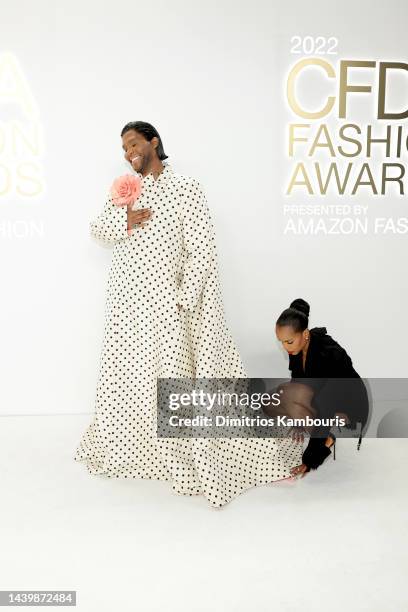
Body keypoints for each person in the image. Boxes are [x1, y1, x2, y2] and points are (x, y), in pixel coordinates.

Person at [74, 121, 302, 507]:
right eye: (123, 147)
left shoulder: (186, 188)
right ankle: (135, 450)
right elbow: (97, 230)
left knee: (175, 382)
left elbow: (202, 249)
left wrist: (184, 298)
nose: (128, 151)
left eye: (133, 143)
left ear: (153, 142)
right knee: (132, 377)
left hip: (168, 305)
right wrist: (122, 220)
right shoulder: (123, 192)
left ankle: (186, 458)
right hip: (127, 307)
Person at [275, 298, 369, 478]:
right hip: (325, 396)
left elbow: (325, 408)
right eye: (281, 342)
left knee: (318, 409)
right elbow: (297, 383)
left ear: (305, 334)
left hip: (351, 403)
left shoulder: (329, 354)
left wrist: (310, 460)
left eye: (288, 341)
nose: (285, 347)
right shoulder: (297, 348)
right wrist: (298, 423)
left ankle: (328, 441)